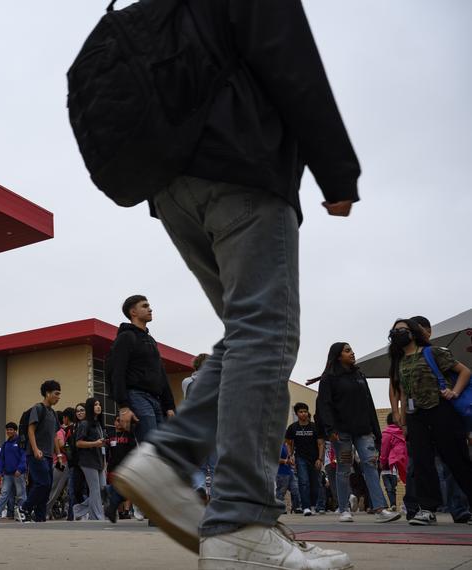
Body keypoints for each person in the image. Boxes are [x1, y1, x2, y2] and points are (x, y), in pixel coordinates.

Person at [108, 0, 362, 565]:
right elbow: (289, 59)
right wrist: (337, 168)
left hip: (171, 188)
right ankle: (240, 518)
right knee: (266, 332)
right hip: (241, 165)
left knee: (247, 333)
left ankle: (168, 459)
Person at [388, 318, 472, 526]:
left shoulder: (432, 352)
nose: (398, 333)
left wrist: (454, 392)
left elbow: (465, 371)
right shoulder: (398, 361)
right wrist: (400, 416)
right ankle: (427, 509)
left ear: (413, 332)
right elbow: (401, 390)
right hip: (416, 416)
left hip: (441, 410)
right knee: (423, 463)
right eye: (395, 330)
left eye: (403, 330)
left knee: (457, 459)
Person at [316, 342, 400, 523]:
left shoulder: (359, 375)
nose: (352, 353)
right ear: (338, 355)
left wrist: (377, 432)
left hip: (363, 431)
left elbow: (369, 405)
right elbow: (324, 406)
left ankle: (380, 508)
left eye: (352, 349)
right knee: (344, 469)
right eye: (347, 351)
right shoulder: (328, 378)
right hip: (341, 433)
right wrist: (330, 430)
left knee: (370, 465)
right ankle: (344, 509)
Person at [111, 296, 177, 444]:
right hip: (137, 397)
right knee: (150, 447)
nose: (150, 309)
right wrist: (123, 407)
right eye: (145, 306)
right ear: (133, 312)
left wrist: (170, 406)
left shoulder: (151, 341)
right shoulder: (126, 337)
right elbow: (117, 372)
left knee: (163, 447)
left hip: (156, 400)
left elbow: (161, 374)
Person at [19, 380, 62, 523]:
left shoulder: (53, 414)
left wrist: (59, 454)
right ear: (48, 393)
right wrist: (36, 449)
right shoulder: (38, 409)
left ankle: (40, 517)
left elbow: (55, 436)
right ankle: (23, 508)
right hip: (36, 454)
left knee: (47, 486)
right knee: (42, 483)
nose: (58, 397)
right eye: (56, 394)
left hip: (49, 455)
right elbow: (31, 430)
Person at [284, 404, 325, 517]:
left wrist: (320, 459)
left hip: (314, 458)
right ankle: (306, 507)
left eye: (305, 411)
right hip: (300, 458)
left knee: (315, 483)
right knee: (303, 482)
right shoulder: (293, 428)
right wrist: (290, 455)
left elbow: (321, 444)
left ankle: (312, 505)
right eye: (301, 412)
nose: (304, 414)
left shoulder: (315, 427)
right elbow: (288, 442)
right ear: (297, 414)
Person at [72, 398, 108, 521]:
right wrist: (95, 443)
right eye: (95, 404)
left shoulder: (99, 425)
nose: (98, 406)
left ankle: (79, 509)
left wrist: (104, 462)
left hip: (99, 460)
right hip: (87, 460)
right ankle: (97, 517)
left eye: (99, 404)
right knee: (95, 490)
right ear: (90, 407)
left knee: (102, 490)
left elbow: (101, 446)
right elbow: (78, 443)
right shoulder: (84, 424)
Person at [0, 423, 27, 521]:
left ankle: (23, 514)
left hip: (18, 473)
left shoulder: (21, 441)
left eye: (11, 429)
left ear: (15, 431)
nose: (9, 431)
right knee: (4, 494)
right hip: (7, 474)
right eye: (7, 430)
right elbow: (1, 459)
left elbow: (24, 456)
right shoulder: (5, 444)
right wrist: (0, 472)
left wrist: (20, 469)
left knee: (21, 494)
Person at [105, 416, 137, 522]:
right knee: (117, 489)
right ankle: (119, 512)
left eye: (122, 421)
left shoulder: (129, 434)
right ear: (114, 422)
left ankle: (126, 511)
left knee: (127, 489)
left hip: (126, 467)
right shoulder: (110, 435)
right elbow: (106, 451)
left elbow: (133, 451)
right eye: (117, 420)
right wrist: (105, 466)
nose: (119, 423)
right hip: (112, 467)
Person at [45, 409, 74, 519]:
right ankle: (45, 510)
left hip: (61, 462)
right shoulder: (60, 431)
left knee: (57, 489)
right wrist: (71, 452)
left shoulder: (60, 431)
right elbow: (62, 445)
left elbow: (62, 445)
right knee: (55, 488)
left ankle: (48, 511)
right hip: (60, 463)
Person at [380, 412, 407, 514]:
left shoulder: (387, 433)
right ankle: (408, 504)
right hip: (408, 455)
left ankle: (407, 505)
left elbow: (384, 449)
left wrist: (382, 462)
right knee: (409, 481)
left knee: (405, 482)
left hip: (398, 458)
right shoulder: (403, 430)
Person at [275, 443, 301, 514]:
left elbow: (290, 456)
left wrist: (292, 460)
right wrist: (285, 461)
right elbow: (273, 459)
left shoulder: (286, 445)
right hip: (281, 472)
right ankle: (280, 509)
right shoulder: (276, 444)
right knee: (281, 492)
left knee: (296, 489)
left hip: (290, 471)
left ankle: (297, 507)